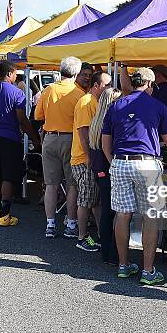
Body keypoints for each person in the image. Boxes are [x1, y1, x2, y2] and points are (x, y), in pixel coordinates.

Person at [102, 68, 167, 285]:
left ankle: (123, 265)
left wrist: (114, 162)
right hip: (147, 164)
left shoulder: (115, 105)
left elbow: (105, 142)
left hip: (120, 162)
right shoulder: (158, 106)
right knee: (151, 216)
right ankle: (148, 271)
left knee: (122, 215)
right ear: (150, 84)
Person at [0, 61, 41, 227]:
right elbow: (22, 120)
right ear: (10, 73)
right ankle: (5, 216)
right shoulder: (17, 93)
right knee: (8, 176)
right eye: (15, 74)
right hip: (9, 138)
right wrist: (34, 138)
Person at [35, 56, 85, 239]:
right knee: (72, 185)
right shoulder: (80, 94)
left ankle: (50, 224)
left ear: (60, 70)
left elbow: (38, 114)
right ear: (77, 73)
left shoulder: (49, 90)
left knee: (51, 184)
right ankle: (71, 223)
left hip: (49, 138)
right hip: (70, 140)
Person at [71, 71, 112, 252]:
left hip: (88, 158)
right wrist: (89, 157)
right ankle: (81, 237)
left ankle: (102, 234)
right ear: (96, 86)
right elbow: (83, 132)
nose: (109, 88)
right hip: (83, 158)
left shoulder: (94, 101)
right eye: (106, 84)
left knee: (94, 200)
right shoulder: (86, 102)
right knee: (86, 200)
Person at [89, 87, 123, 264]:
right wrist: (115, 165)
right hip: (108, 169)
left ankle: (106, 251)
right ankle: (113, 253)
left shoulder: (96, 121)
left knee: (106, 212)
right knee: (115, 213)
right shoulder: (110, 122)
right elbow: (106, 148)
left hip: (98, 170)